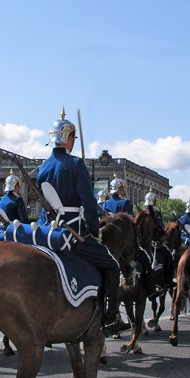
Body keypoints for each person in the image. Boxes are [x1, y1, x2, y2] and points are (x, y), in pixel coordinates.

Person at [36, 109, 130, 336]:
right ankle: (110, 318)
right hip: (73, 230)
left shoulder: (42, 168)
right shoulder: (76, 165)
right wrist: (93, 229)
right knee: (112, 265)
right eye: (72, 138)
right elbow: (88, 203)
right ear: (67, 138)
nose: (73, 142)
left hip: (49, 229)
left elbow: (43, 205)